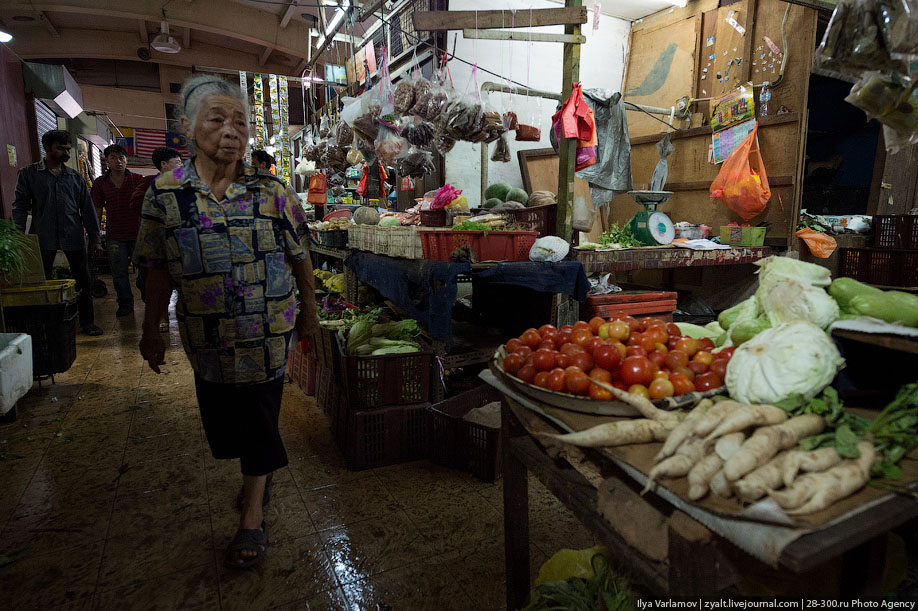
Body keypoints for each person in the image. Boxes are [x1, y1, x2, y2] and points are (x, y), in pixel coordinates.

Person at [134, 75, 320, 569]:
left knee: (260, 420)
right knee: (224, 426)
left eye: (240, 121)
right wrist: (151, 329)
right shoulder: (166, 195)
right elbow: (156, 268)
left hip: (267, 332)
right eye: (216, 120)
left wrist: (310, 313)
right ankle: (257, 469)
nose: (230, 131)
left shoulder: (272, 190)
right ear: (188, 129)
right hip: (206, 336)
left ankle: (253, 514)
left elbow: (300, 254)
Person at [12, 129, 103, 336]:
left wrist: (95, 239)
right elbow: (20, 207)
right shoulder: (29, 174)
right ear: (46, 148)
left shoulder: (75, 178)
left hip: (74, 237)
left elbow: (88, 211)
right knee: (40, 282)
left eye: (67, 149)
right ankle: (41, 326)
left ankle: (87, 323)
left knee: (84, 281)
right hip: (43, 238)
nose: (65, 153)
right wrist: (17, 237)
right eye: (60, 148)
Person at [131, 146, 183, 333]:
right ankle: (161, 318)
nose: (181, 166)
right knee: (158, 281)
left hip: (180, 242)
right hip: (157, 241)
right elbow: (137, 204)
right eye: (177, 162)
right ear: (163, 164)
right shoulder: (150, 184)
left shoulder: (184, 184)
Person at [91, 143, 144, 317]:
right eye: (113, 158)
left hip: (138, 234)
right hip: (115, 236)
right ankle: (125, 305)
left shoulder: (138, 179)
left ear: (126, 160)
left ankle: (149, 301)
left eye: (121, 158)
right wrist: (95, 236)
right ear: (107, 161)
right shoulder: (100, 183)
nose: (118, 162)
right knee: (119, 274)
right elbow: (97, 210)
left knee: (145, 273)